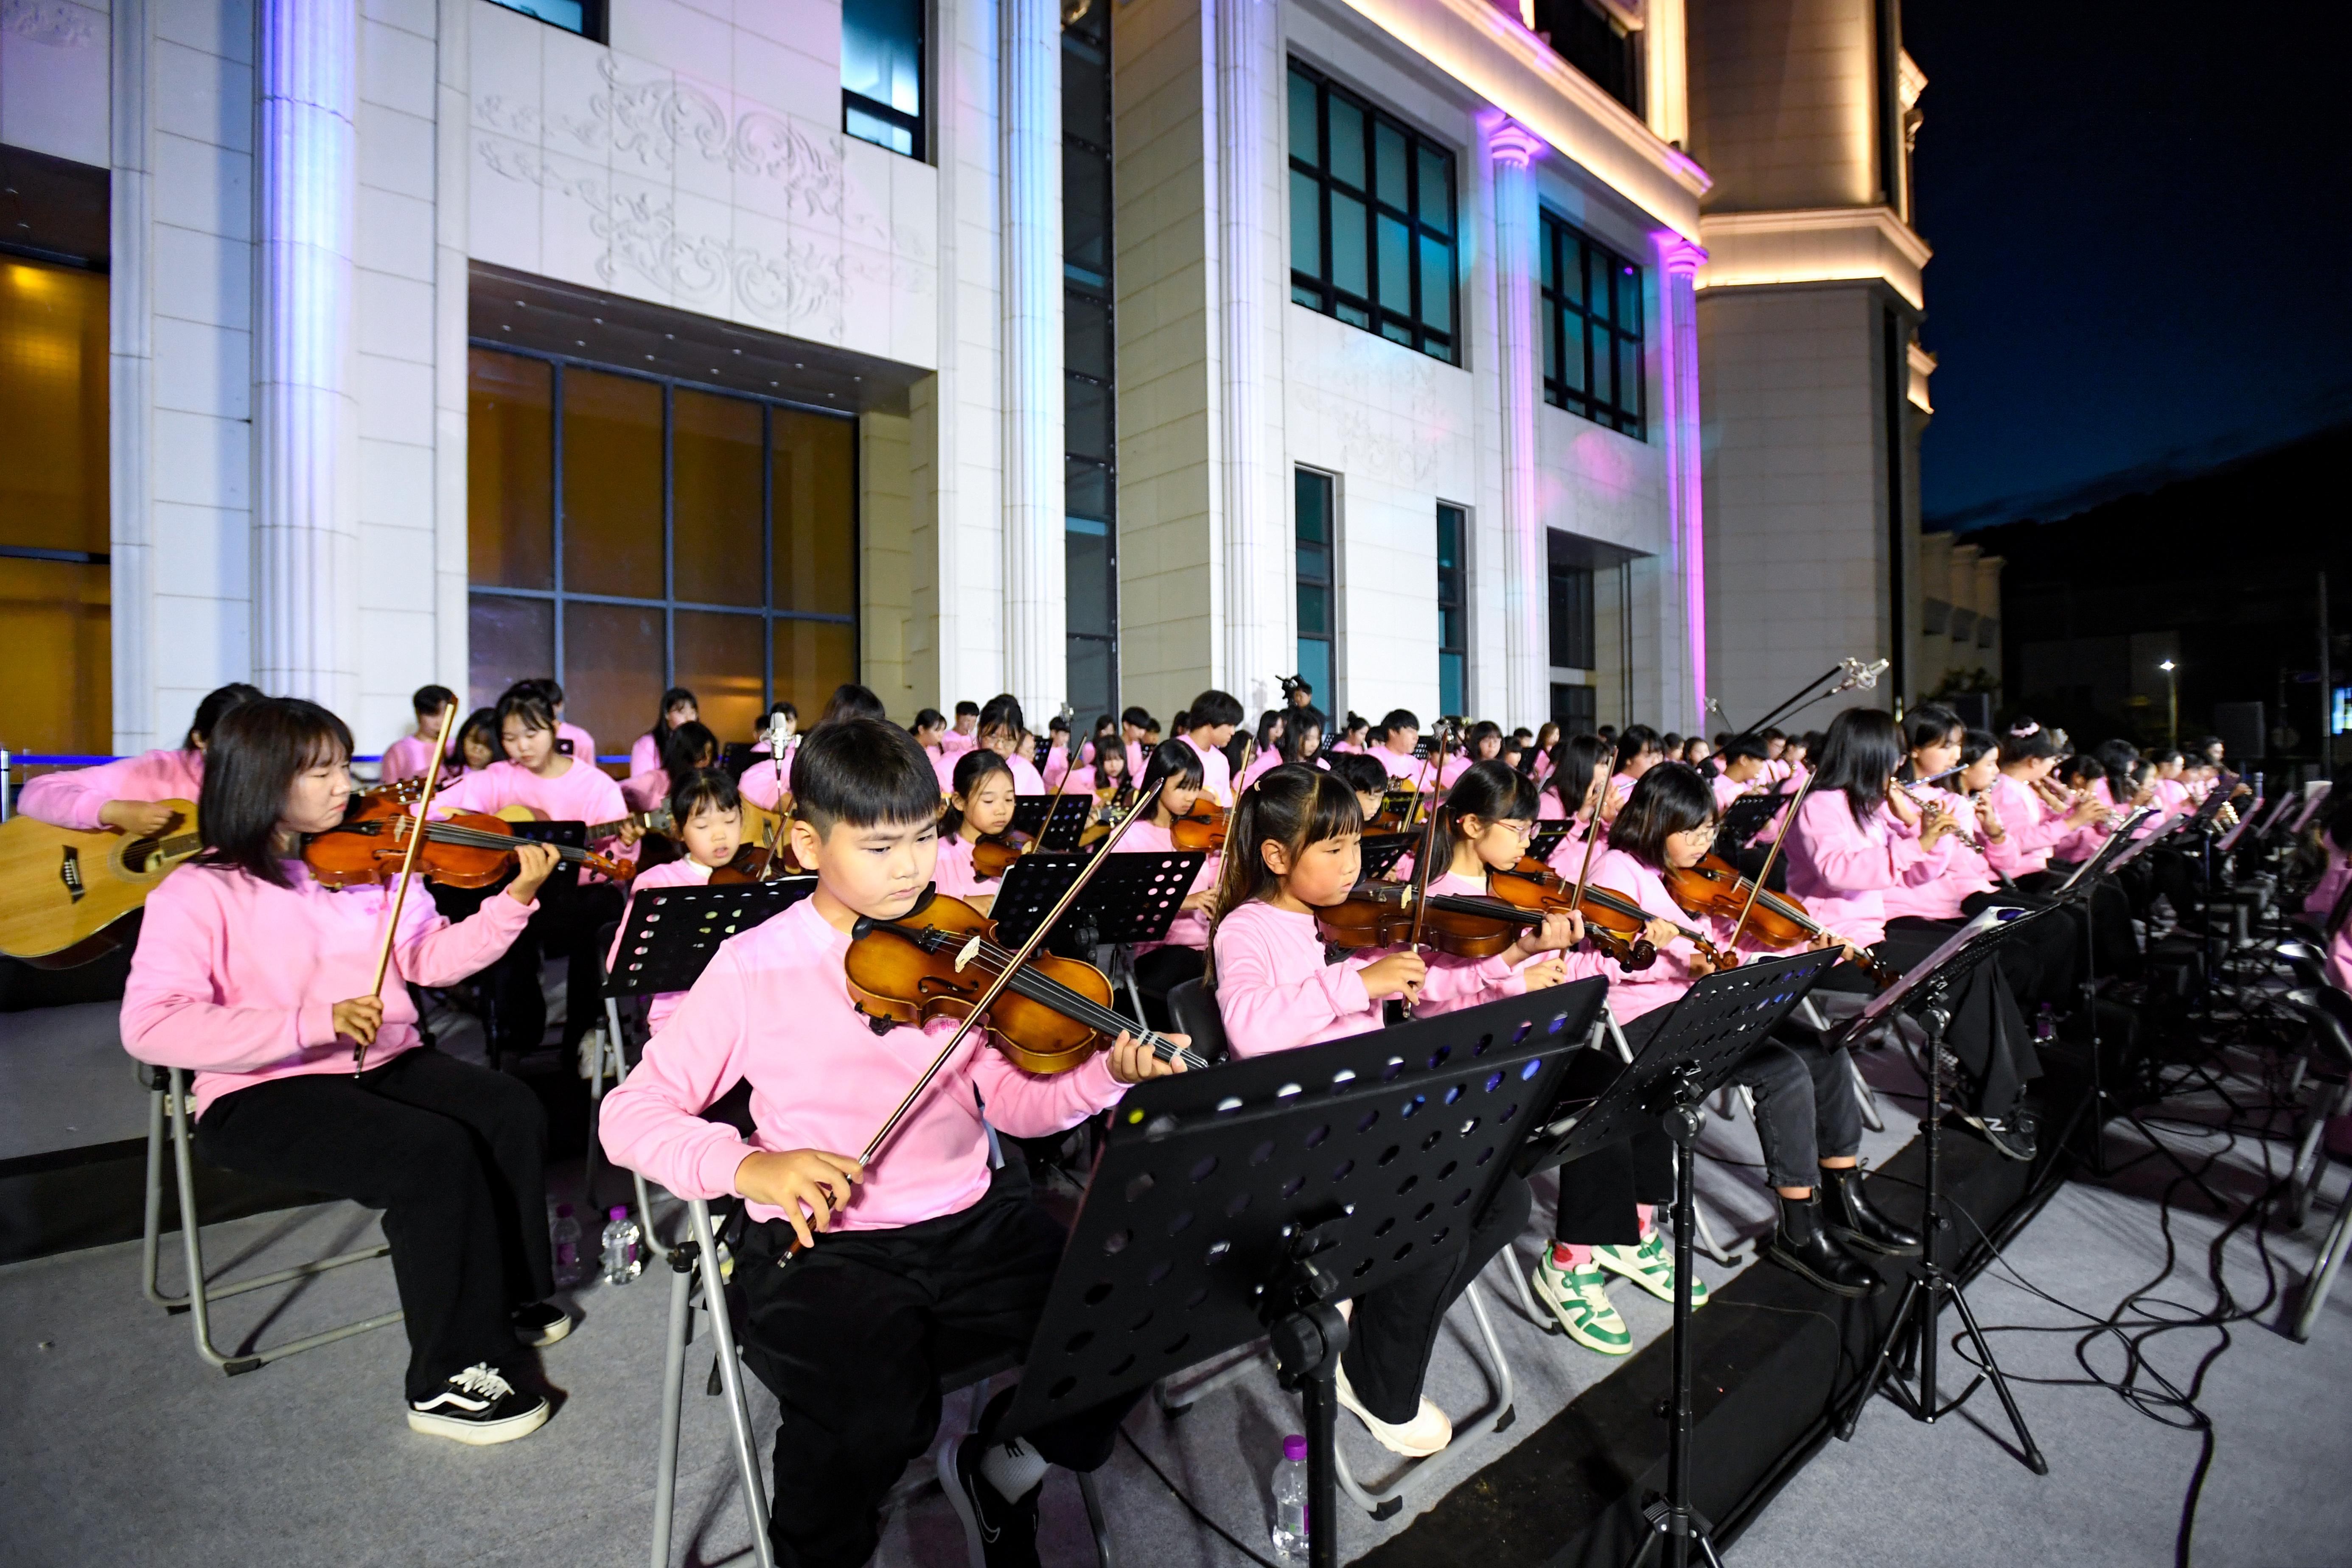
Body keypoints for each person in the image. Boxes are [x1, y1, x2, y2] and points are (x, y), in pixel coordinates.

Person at [598, 717, 1182, 1568]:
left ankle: (1001, 1469)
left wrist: (1107, 1078)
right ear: (805, 842)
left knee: (1130, 1321)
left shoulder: (959, 946)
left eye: (921, 838)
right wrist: (750, 1165)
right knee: (865, 1419)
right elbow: (632, 1111)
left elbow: (1012, 1105)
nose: (910, 867)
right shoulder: (752, 965)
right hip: (828, 1244)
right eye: (878, 848)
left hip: (973, 1220)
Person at [119, 696, 567, 1443]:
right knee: (431, 1153)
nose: (342, 786)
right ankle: (445, 1377)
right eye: (320, 771)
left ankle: (505, 1299)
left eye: (343, 766)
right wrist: (311, 1023)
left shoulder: (370, 868)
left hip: (378, 1060)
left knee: (507, 1108)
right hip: (260, 1090)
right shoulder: (199, 891)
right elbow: (151, 1024)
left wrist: (510, 904)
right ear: (260, 780)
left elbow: (427, 960)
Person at [1206, 766, 1528, 1458]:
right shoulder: (1247, 928)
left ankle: (1377, 1320)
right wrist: (1357, 980)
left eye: (1357, 845)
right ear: (1275, 857)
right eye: (1333, 850)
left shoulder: (1345, 926)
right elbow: (1249, 1029)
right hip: (1304, 1137)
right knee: (1436, 1219)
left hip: (1370, 1116)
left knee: (1506, 1198)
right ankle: (1377, 1380)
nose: (1354, 865)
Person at [1536, 764, 1904, 1339]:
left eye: (1710, 830)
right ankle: (1798, 1230)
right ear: (1657, 823)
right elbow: (1582, 971)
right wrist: (1643, 952)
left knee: (1819, 1049)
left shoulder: (1680, 871)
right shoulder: (1613, 870)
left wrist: (1800, 938)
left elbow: (1722, 934)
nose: (1705, 843)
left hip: (1693, 1008)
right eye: (1694, 831)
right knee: (1781, 1069)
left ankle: (1836, 1195)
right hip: (1636, 1026)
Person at [1787, 708, 2044, 1160]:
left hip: (1868, 934)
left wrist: (1916, 827)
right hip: (1833, 948)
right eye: (1893, 753)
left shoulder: (1866, 804)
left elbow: (1922, 868)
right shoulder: (1819, 803)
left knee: (1974, 953)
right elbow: (1838, 871)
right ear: (1870, 753)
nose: (1898, 763)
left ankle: (1999, 1086)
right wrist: (1915, 841)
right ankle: (1991, 1102)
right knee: (1956, 970)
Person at [432, 685, 645, 1059]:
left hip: (575, 896)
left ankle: (584, 1037)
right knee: (499, 929)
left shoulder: (595, 786)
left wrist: (625, 844)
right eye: (510, 738)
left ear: (554, 727)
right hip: (520, 894)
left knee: (599, 913)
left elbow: (617, 863)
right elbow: (436, 809)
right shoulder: (498, 776)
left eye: (532, 734)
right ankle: (518, 1036)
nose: (522, 748)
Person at [608, 767, 746, 1035]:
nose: (720, 835)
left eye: (730, 821)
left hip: (747, 1013)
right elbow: (620, 963)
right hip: (680, 1017)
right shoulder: (658, 884)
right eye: (703, 826)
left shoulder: (755, 878)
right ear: (678, 830)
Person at [17, 682, 261, 832]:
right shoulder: (157, 770)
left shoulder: (283, 784)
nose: (246, 753)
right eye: (232, 743)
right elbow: (36, 792)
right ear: (200, 740)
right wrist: (111, 812)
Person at [1110, 741, 1222, 1025]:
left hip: (1209, 943)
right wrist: (1188, 901)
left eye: (1195, 787)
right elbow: (1125, 901)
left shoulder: (1200, 833)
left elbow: (1217, 881)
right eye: (1182, 787)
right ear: (1158, 785)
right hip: (1159, 951)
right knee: (1206, 977)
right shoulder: (1130, 837)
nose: (1191, 797)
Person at [934, 749, 1018, 913]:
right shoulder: (937, 856)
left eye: (1009, 799)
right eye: (989, 801)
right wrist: (963, 905)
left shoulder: (1014, 851)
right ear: (959, 802)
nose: (1001, 810)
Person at [382, 685, 460, 784]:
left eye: (446, 715)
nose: (440, 722)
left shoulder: (456, 747)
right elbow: (388, 789)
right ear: (418, 714)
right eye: (433, 715)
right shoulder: (399, 750)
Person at [1180, 689, 1245, 805]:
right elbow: (1145, 785)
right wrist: (1197, 794)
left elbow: (1226, 803)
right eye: (1230, 725)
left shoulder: (1221, 760)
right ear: (1212, 720)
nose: (1233, 732)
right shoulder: (1174, 749)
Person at [628, 687, 700, 781]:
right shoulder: (647, 744)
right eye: (681, 712)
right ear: (666, 714)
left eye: (692, 713)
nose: (688, 718)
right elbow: (640, 787)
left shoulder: (698, 743)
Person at [1371, 710, 1424, 781]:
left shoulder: (1415, 763)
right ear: (1393, 732)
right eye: (1411, 731)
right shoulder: (1373, 757)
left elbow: (1428, 789)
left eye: (1416, 732)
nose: (1416, 737)